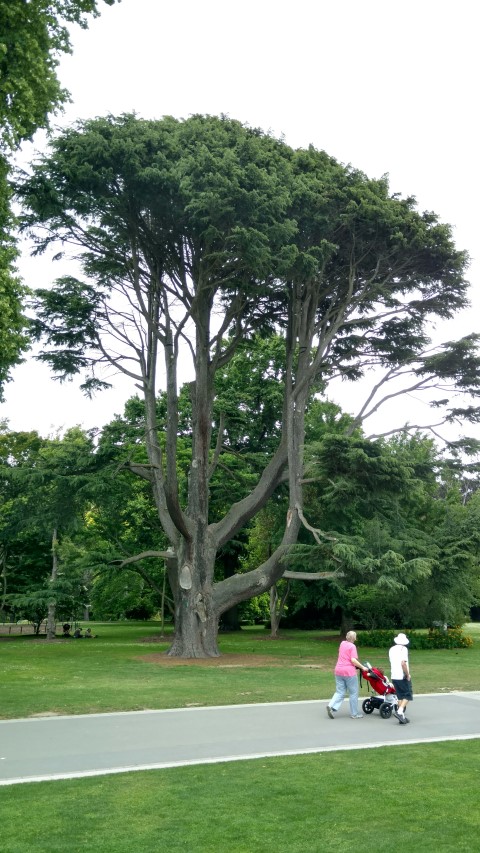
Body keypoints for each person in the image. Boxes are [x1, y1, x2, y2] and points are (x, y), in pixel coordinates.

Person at [327, 630, 369, 719]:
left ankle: (331, 706)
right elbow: (353, 660)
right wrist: (362, 667)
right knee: (353, 693)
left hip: (338, 670)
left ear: (346, 637)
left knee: (340, 691)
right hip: (349, 672)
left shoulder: (342, 643)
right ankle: (354, 714)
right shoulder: (352, 646)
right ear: (354, 638)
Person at [389, 632, 412, 724]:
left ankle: (401, 715)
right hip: (401, 675)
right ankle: (399, 711)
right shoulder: (404, 649)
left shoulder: (391, 649)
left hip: (394, 675)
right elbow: (403, 663)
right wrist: (407, 674)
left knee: (399, 696)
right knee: (407, 694)